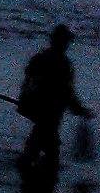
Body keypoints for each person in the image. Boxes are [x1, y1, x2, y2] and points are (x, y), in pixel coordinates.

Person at [17, 24, 93, 169]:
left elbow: (28, 82)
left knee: (39, 145)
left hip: (42, 112)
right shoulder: (62, 65)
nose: (66, 45)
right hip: (50, 114)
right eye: (65, 41)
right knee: (48, 149)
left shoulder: (40, 59)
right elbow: (66, 92)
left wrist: (25, 103)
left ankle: (30, 174)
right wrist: (79, 109)